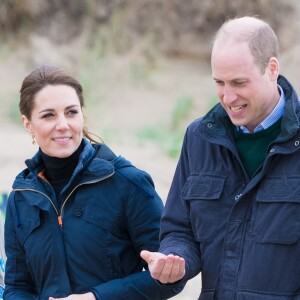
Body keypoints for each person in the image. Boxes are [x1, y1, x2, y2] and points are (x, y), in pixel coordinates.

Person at [141, 16, 300, 298]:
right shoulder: (199, 138)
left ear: (272, 68)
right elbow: (179, 229)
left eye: (239, 83)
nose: (227, 97)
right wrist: (175, 259)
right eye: (219, 82)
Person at [3, 65, 182, 300]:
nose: (63, 125)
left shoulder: (127, 183)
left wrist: (96, 297)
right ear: (28, 124)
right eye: (49, 115)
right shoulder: (21, 197)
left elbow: (171, 279)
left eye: (71, 112)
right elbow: (18, 287)